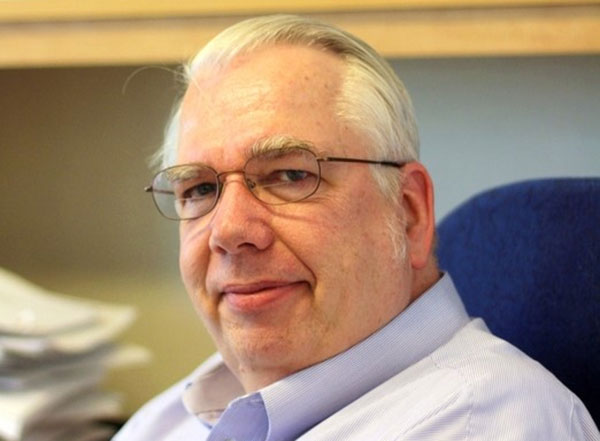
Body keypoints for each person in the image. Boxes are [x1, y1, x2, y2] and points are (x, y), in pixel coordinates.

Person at [114, 14, 599, 441]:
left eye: (290, 175)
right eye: (198, 189)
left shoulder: (485, 426)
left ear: (409, 213)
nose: (230, 230)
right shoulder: (168, 420)